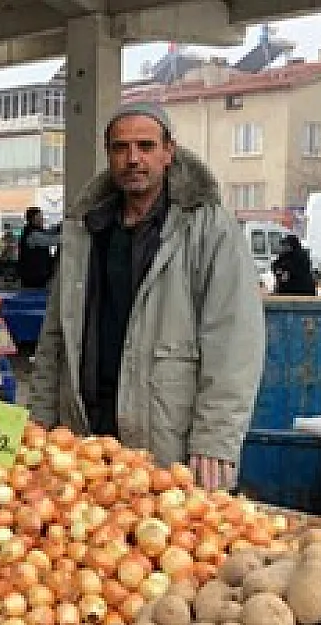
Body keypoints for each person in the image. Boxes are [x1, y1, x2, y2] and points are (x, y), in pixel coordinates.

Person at [28, 102, 264, 491]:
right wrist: (37, 422)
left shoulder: (207, 227)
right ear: (109, 155)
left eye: (145, 146)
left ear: (169, 152)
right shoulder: (86, 230)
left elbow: (235, 340)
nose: (133, 158)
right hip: (85, 435)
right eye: (121, 148)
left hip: (165, 438)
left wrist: (216, 440)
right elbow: (56, 336)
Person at [17, 206, 60, 289]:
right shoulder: (33, 235)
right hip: (33, 277)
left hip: (37, 275)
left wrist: (60, 226)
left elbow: (49, 232)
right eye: (39, 217)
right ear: (32, 219)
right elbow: (51, 240)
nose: (42, 219)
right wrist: (69, 235)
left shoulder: (36, 231)